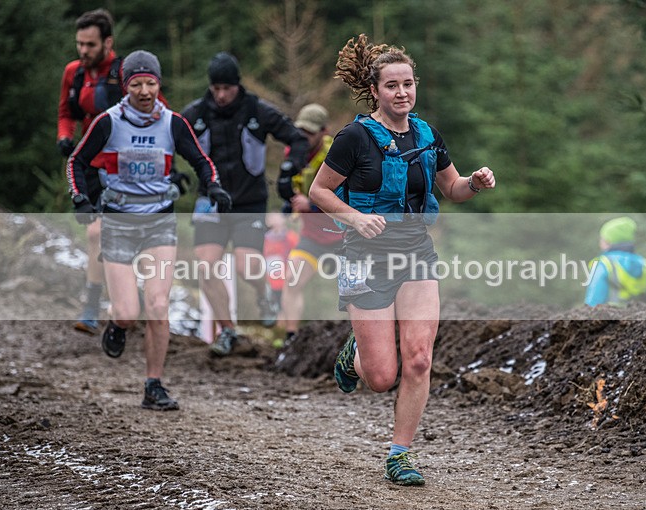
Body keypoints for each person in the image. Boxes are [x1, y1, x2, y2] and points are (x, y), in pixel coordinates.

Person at [308, 34, 496, 486]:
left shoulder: (427, 135)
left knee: (417, 360)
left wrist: (475, 181)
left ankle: (400, 455)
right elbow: (318, 191)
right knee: (380, 377)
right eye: (392, 85)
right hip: (365, 257)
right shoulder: (353, 137)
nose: (401, 93)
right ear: (375, 91)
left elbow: (451, 189)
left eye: (408, 84)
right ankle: (355, 356)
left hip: (416, 253)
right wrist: (354, 218)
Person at [66, 50, 232, 411]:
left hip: (160, 221)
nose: (144, 90)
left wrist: (213, 185)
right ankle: (117, 324)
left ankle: (153, 384)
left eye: (151, 83)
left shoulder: (172, 123)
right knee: (127, 311)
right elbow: (76, 162)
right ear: (127, 87)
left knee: (158, 304)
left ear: (159, 84)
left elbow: (201, 161)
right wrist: (80, 198)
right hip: (119, 222)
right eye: (136, 84)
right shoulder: (109, 122)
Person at [181, 52, 310, 357]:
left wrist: (289, 171)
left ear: (237, 85)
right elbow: (167, 141)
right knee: (206, 267)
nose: (222, 95)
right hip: (211, 200)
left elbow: (297, 138)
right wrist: (171, 172)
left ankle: (264, 292)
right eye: (216, 89)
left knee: (246, 265)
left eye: (227, 88)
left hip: (249, 201)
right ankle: (227, 330)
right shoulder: (195, 113)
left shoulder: (257, 109)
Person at [57, 9, 121, 335]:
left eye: (90, 45)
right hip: (93, 163)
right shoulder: (74, 73)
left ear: (107, 42)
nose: (83, 51)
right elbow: (66, 112)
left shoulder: (125, 73)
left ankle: (125, 303)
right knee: (96, 233)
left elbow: (158, 111)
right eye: (79, 44)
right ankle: (92, 306)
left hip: (126, 168)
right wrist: (65, 137)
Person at [277, 103, 343, 345]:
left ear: (324, 132)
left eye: (310, 132)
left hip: (342, 237)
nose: (303, 137)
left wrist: (312, 206)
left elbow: (347, 199)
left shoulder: (337, 155)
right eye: (300, 131)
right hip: (312, 237)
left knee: (354, 292)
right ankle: (291, 339)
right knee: (291, 281)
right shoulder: (292, 151)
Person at [584, 216, 646, 307]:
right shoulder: (645, 265)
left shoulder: (604, 264)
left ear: (608, 241)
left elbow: (594, 300)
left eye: (602, 239)